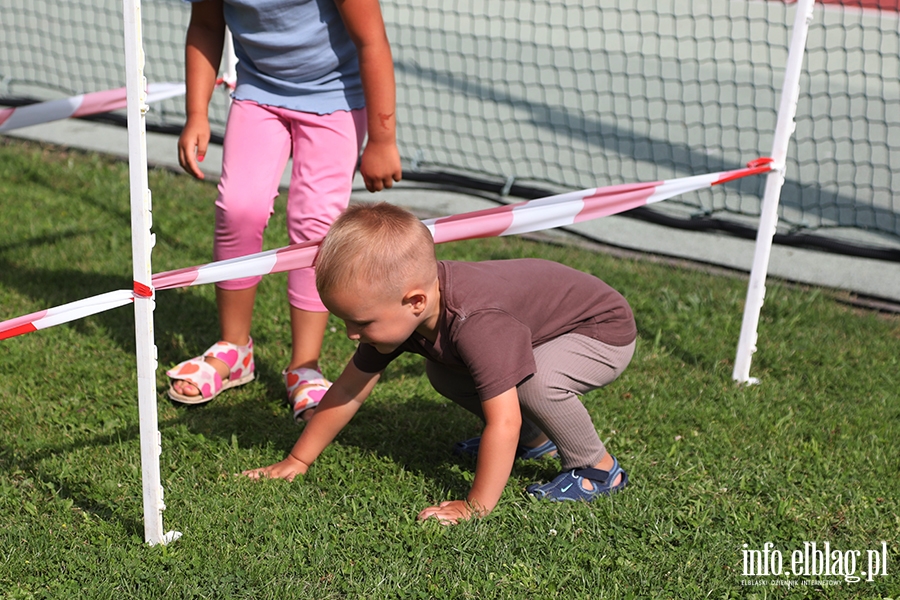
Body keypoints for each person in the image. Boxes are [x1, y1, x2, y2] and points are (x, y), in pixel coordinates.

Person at [244, 203, 637, 524]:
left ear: (415, 302)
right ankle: (536, 442)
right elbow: (348, 389)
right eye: (345, 320)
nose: (350, 333)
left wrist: (475, 506)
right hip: (540, 327)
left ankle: (597, 468)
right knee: (443, 371)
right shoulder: (402, 311)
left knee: (537, 384)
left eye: (361, 322)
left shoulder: (475, 323)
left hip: (600, 329)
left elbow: (504, 419)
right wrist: (298, 459)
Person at [166, 0, 402, 421]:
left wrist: (382, 140)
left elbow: (372, 41)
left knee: (317, 225)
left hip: (336, 101)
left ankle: (304, 367)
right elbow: (204, 24)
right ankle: (234, 349)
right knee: (239, 208)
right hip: (258, 95)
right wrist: (196, 113)